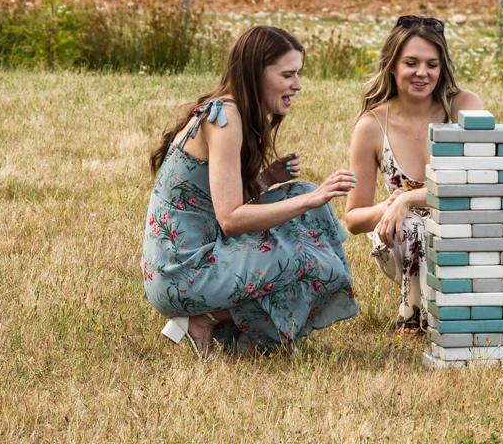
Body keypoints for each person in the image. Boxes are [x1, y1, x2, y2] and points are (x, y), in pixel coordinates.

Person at [142, 25, 359, 358]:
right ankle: (208, 319)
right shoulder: (224, 118)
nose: (297, 85)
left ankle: (227, 326)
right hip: (182, 274)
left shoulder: (228, 112)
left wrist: (265, 181)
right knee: (304, 255)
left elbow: (210, 204)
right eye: (288, 74)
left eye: (298, 74)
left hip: (200, 256)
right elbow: (230, 219)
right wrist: (312, 199)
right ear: (255, 72)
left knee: (301, 199)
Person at [342, 15, 484, 333]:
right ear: (392, 66)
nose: (422, 73)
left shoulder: (464, 106)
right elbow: (353, 220)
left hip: (463, 223)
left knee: (429, 221)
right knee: (411, 225)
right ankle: (418, 318)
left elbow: (478, 181)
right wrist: (390, 206)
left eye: (432, 65)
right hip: (402, 239)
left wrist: (409, 197)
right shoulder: (371, 126)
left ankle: (460, 310)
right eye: (411, 63)